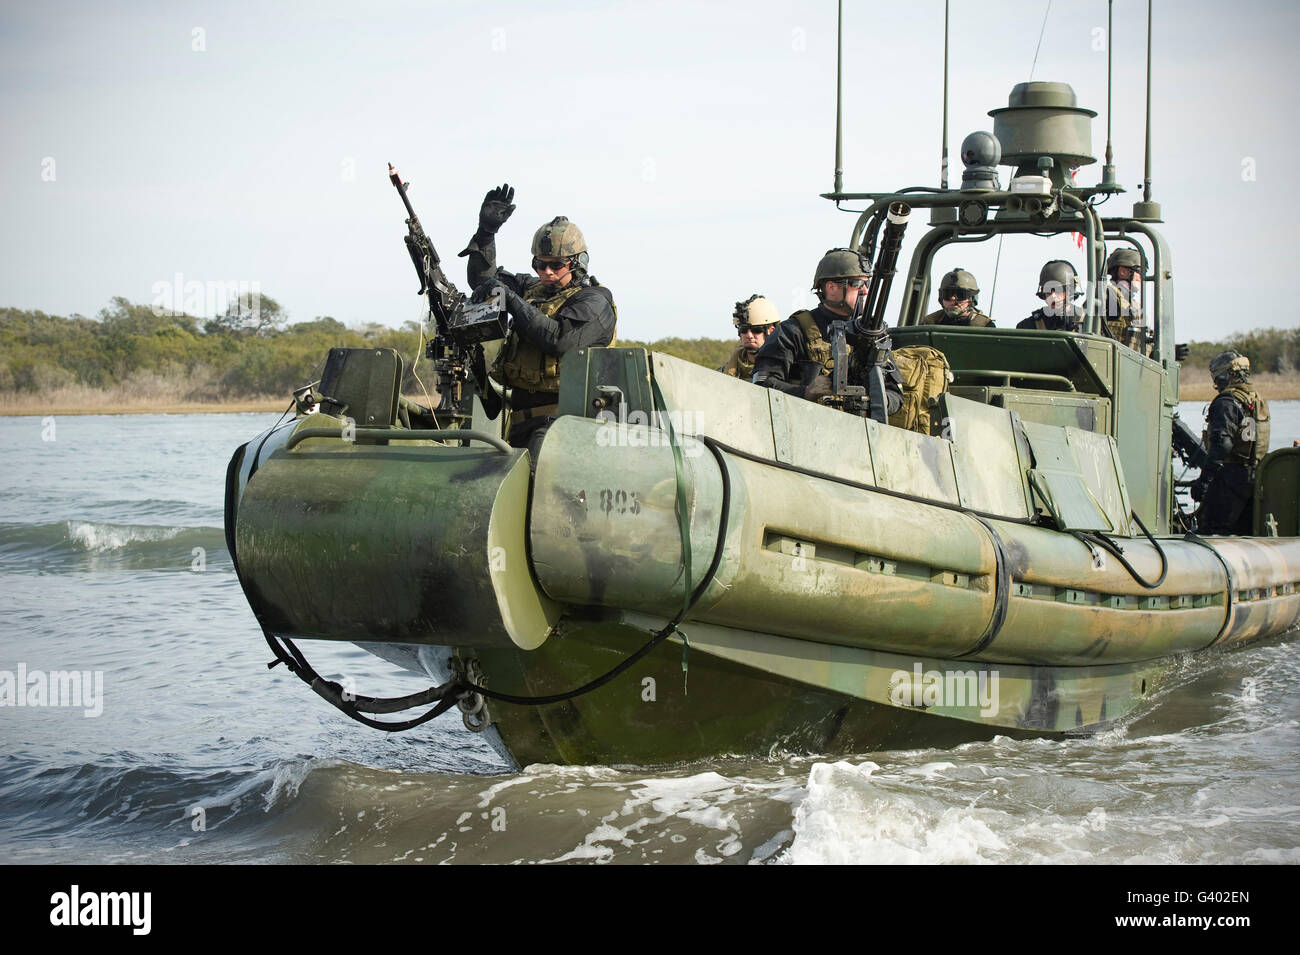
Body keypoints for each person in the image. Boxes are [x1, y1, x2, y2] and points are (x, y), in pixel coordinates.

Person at [459, 184, 617, 463]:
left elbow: (560, 340)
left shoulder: (594, 302)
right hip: (519, 423)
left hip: (565, 426)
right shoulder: (531, 290)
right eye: (539, 264)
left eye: (556, 265)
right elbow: (484, 281)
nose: (546, 272)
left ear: (578, 263)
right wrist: (486, 233)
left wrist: (511, 300)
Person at [753, 248, 902, 415]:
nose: (866, 291)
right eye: (858, 284)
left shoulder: (871, 334)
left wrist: (879, 399)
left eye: (867, 284)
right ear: (831, 287)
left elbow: (896, 394)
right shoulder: (794, 331)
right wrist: (806, 392)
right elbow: (762, 386)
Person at [1193, 350, 1271, 535]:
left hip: (1229, 479)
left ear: (1227, 376)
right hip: (1255, 477)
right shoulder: (1256, 399)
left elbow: (1222, 444)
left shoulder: (1226, 401)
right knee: (1245, 534)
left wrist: (1204, 481)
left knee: (1211, 531)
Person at [718, 295, 780, 380]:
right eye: (743, 329)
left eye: (756, 330)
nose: (749, 335)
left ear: (771, 331)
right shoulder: (723, 374)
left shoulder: (786, 368)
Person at [1103, 247, 1149, 353]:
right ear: (1123, 272)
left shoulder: (1133, 304)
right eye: (1139, 271)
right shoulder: (1108, 295)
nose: (1142, 277)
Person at [1017, 260, 1084, 331]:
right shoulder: (1029, 326)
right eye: (1048, 290)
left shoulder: (1088, 323)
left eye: (1058, 289)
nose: (1053, 296)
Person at [920, 269, 995, 327]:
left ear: (971, 298)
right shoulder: (929, 323)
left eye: (960, 294)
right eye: (947, 294)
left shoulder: (985, 326)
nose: (953, 298)